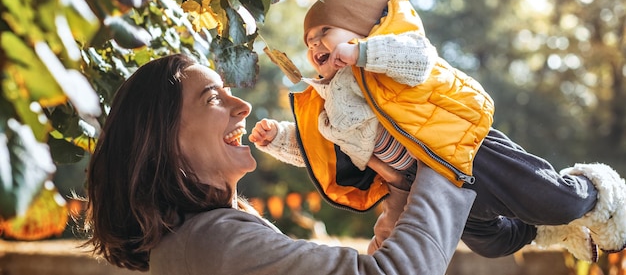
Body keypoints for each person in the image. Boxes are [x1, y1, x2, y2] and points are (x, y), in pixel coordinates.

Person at [250, 0, 626, 262]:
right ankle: (552, 231)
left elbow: (417, 61)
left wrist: (361, 53)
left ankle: (602, 190)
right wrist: (280, 138)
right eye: (309, 41)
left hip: (464, 147)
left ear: (361, 26)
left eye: (324, 32)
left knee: (553, 199)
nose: (315, 44)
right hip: (426, 180)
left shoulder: (387, 55)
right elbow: (321, 145)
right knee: (491, 242)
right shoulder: (331, 98)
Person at [83, 53, 477, 274]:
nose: (243, 105)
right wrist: (444, 161)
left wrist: (405, 189)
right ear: (163, 140)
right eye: (212, 98)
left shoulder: (197, 241)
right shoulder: (217, 241)